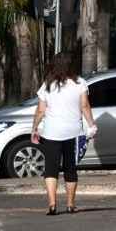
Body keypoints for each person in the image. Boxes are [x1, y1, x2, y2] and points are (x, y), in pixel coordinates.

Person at [31, 52, 97, 215]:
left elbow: (40, 110)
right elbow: (85, 106)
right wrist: (91, 124)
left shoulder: (47, 84)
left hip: (51, 133)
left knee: (51, 169)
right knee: (70, 169)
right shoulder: (80, 83)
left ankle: (52, 205)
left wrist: (34, 128)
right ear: (70, 65)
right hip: (73, 133)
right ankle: (70, 204)